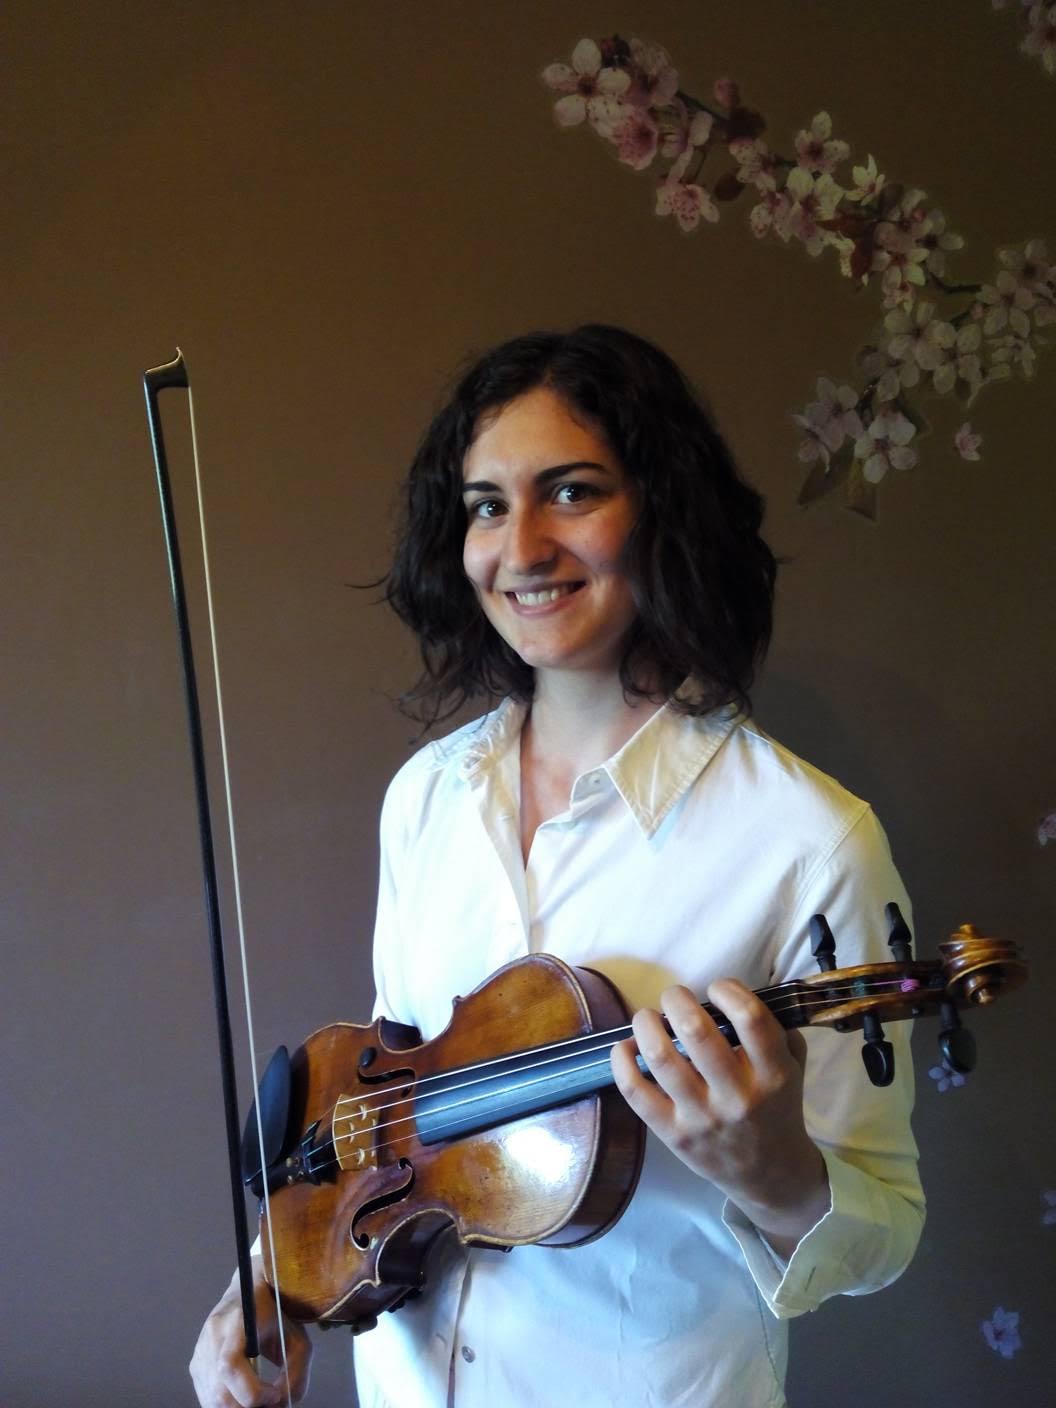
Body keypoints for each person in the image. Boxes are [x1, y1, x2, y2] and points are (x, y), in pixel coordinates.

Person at [190, 325, 924, 1408]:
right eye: (487, 505)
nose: (522, 548)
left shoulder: (810, 842)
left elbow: (885, 1230)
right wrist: (270, 1281)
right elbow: (387, 1113)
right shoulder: (426, 797)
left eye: (572, 492)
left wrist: (774, 1173)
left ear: (664, 509)